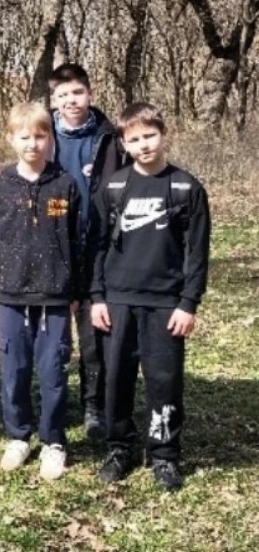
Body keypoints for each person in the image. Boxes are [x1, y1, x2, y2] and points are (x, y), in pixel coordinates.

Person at [90, 103, 210, 492]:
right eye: (134, 139)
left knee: (164, 381)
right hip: (118, 301)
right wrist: (97, 297)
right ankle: (119, 447)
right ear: (123, 143)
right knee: (116, 379)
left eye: (149, 135)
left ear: (164, 134)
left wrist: (188, 303)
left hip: (165, 305)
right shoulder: (113, 187)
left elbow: (197, 253)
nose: (143, 145)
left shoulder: (186, 188)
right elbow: (96, 247)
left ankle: (163, 455)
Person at [0, 102, 81, 481]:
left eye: (41, 136)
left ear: (50, 139)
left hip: (55, 294)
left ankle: (54, 441)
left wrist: (75, 287)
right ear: (11, 138)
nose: (33, 144)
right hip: (11, 293)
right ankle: (18, 436)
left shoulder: (65, 184)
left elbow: (78, 239)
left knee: (53, 369)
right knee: (14, 369)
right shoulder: (1, 185)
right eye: (24, 137)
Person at [49, 63, 126, 439]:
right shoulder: (42, 132)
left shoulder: (111, 137)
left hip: (99, 247)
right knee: (54, 335)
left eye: (77, 93)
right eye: (62, 95)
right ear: (54, 99)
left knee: (94, 334)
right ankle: (53, 402)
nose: (70, 101)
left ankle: (94, 406)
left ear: (90, 93)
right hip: (54, 245)